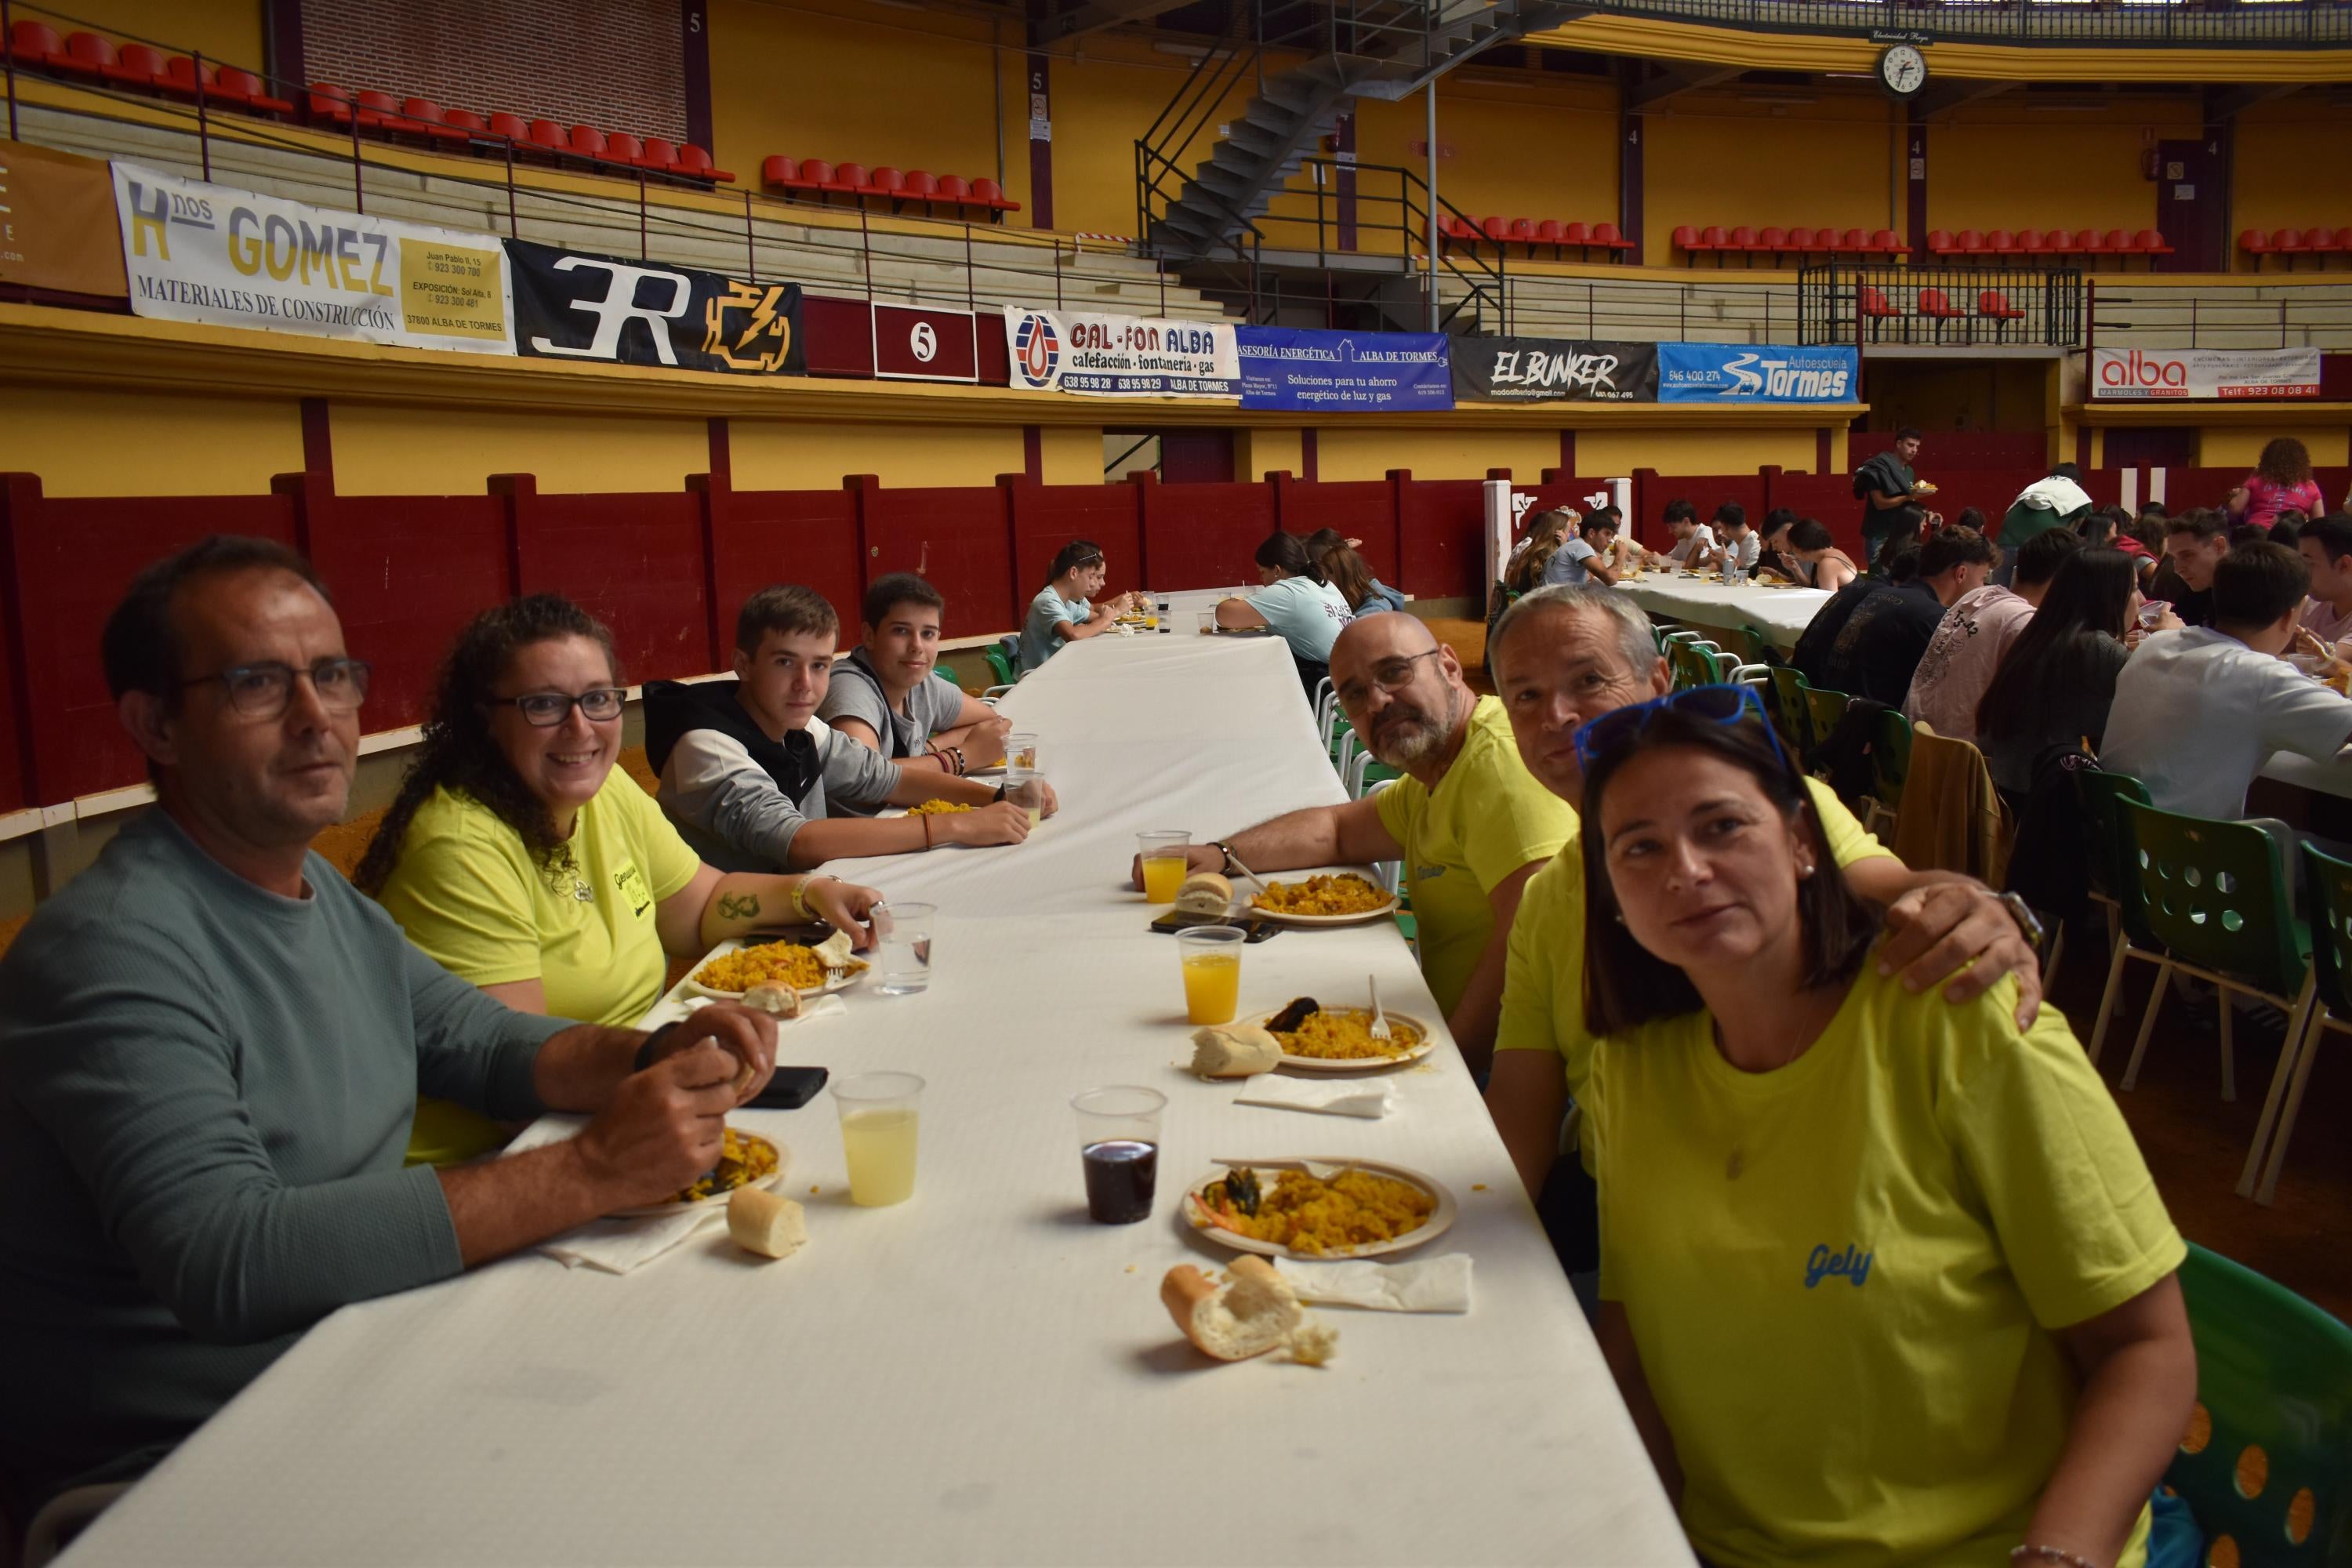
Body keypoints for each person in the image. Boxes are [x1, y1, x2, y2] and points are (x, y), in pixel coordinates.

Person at [0, 538, 786, 1515]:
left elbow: (474, 1037)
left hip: (367, 1349)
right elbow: (227, 1254)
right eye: (257, 683)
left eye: (332, 676)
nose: (317, 718)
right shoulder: (113, 951)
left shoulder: (308, 887)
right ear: (154, 722)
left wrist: (653, 1049)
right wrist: (589, 1170)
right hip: (192, 1463)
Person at [1533, 684, 2194, 1565]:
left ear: (1804, 842)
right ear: (1611, 894)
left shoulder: (1961, 1019)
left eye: (1722, 826)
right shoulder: (1630, 1068)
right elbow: (1635, 1339)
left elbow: (2145, 1349)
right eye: (1639, 847)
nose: (1684, 870)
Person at [1482, 584, 2047, 1276]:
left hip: (1809, 1199)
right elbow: (1521, 1106)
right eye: (1526, 697)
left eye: (1588, 680)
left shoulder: (1768, 816)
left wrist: (1974, 905)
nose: (1557, 718)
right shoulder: (1550, 902)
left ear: (1659, 680)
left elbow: (1881, 889)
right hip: (1634, 1208)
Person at [354, 594, 885, 1164]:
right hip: (499, 1161)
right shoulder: (459, 845)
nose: (579, 728)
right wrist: (672, 1067)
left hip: (624, 1097)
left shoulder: (605, 791)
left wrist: (811, 893)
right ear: (484, 718)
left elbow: (702, 903)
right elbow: (515, 1078)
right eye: (543, 704)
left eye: (598, 699)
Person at [1131, 612, 1571, 1076]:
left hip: (1512, 1070)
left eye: (1394, 672)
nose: (1378, 701)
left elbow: (1535, 934)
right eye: (1356, 694)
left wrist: (1447, 1076)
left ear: (1449, 666)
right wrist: (1223, 855)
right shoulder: (1440, 769)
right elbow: (1335, 832)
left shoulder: (1497, 770)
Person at [648, 586, 1040, 873]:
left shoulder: (799, 725)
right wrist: (957, 823)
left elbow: (887, 778)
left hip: (815, 894)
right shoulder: (707, 745)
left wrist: (1001, 798)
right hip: (743, 940)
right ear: (744, 664)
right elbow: (797, 842)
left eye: (819, 666)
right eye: (785, 663)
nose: (806, 684)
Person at [2103, 542, 2352, 821]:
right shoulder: (2262, 677)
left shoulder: (2154, 646)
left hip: (2113, 837)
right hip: (2185, 855)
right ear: (2289, 616)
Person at [1976, 548, 2172, 799]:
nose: (2143, 600)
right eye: (2134, 588)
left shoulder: (2042, 634)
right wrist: (2166, 638)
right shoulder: (2093, 646)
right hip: (2046, 802)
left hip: (2008, 788)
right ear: (2107, 594)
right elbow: (2165, 693)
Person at [819, 572, 1014, 810]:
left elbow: (991, 722)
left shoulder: (922, 682)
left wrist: (928, 751)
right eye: (901, 631)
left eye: (928, 634)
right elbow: (866, 782)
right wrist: (961, 757)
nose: (917, 646)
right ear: (869, 636)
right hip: (858, 840)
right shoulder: (849, 687)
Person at [1903, 528, 2081, 742]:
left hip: (1916, 743)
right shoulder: (2023, 622)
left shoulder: (1979, 596)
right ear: (2064, 580)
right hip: (1959, 760)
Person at [1791, 527, 1998, 706]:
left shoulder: (1879, 594)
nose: (1982, 587)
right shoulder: (1928, 615)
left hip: (1831, 716)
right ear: (1961, 574)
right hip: (1871, 737)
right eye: (1982, 578)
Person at [1215, 531, 1355, 691]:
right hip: (1354, 678)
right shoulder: (1323, 584)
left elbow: (1224, 615)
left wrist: (1235, 601)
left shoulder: (1287, 591)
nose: (1262, 580)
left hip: (1328, 686)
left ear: (1277, 570)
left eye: (1262, 572)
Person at [1021, 539, 1134, 673]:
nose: (1092, 584)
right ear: (1073, 573)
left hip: (1054, 671)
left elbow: (1096, 617)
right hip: (1036, 677)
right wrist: (1107, 618)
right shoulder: (1047, 601)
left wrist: (1096, 623)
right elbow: (1074, 636)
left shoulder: (1067, 602)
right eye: (1091, 576)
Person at [1854, 426, 1941, 571]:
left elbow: (1908, 503)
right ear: (1899, 444)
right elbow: (1880, 503)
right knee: (1879, 576)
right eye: (1910, 445)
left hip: (1901, 535)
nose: (1914, 450)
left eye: (1917, 447)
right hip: (1879, 534)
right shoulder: (1878, 468)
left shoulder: (1909, 471)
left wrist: (1926, 515)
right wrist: (1909, 496)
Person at [1996, 462, 2095, 587]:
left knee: (1997, 592)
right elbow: (2085, 529)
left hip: (2006, 542)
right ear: (2075, 481)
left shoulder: (2035, 486)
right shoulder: (2079, 494)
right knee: (2029, 595)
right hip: (2040, 550)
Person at [2227, 437, 2327, 533]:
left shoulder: (2257, 479)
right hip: (2291, 536)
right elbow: (2318, 523)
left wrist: (2250, 478)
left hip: (2256, 534)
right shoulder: (2310, 486)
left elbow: (2235, 509)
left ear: (2267, 460)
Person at [2153, 510, 2230, 628]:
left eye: (2187, 555)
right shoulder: (2191, 593)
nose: (2177, 569)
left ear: (2219, 546)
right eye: (2174, 558)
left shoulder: (2254, 595)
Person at [1306, 528, 1406, 614]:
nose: (1315, 574)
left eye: (1323, 567)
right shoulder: (1344, 595)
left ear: (1340, 568)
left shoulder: (1375, 607)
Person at [2296, 514, 2352, 647]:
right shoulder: (2310, 604)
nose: (2301, 572)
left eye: (2308, 563)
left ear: (2344, 565)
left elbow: (2335, 662)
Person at [1771, 517, 1858, 592]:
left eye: (1792, 546)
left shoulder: (1827, 564)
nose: (1792, 552)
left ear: (1800, 548)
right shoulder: (1829, 554)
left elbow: (1827, 603)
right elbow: (1812, 589)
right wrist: (1795, 569)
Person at [1543, 512, 1622, 588]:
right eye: (1607, 534)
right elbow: (1611, 579)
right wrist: (1621, 554)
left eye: (1612, 536)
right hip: (1557, 600)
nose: (1610, 540)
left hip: (1551, 597)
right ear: (1591, 533)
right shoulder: (1581, 547)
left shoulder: (1577, 545)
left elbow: (1590, 578)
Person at [1647, 499, 1715, 569]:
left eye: (1673, 527)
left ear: (1686, 521)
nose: (1670, 532)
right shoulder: (1683, 539)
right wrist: (1652, 558)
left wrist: (1662, 561)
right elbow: (1672, 558)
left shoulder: (1705, 535)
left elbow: (1696, 566)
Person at [1698, 503, 1758, 579]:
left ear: (1725, 527)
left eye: (1721, 527)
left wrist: (1727, 561)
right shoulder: (1745, 542)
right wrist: (1727, 561)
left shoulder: (1755, 545)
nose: (1720, 532)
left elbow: (1751, 581)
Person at [1754, 507, 1801, 583]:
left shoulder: (1809, 551)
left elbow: (1813, 588)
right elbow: (1798, 583)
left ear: (1788, 532)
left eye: (1775, 541)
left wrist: (1795, 569)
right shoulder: (1791, 554)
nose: (1774, 548)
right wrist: (1776, 574)